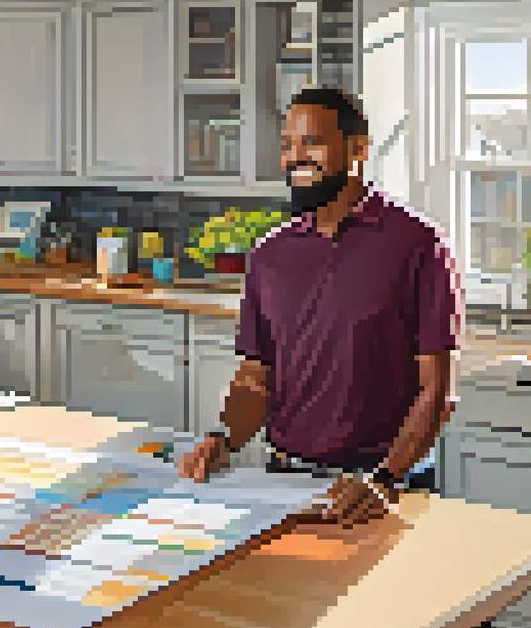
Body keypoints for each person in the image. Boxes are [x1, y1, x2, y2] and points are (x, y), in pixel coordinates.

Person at [178, 86, 463, 525]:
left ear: (359, 149)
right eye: (288, 145)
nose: (296, 157)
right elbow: (256, 378)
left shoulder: (420, 245)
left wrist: (385, 480)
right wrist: (223, 439)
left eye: (312, 142)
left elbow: (436, 391)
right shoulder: (271, 253)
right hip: (285, 482)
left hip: (385, 487)